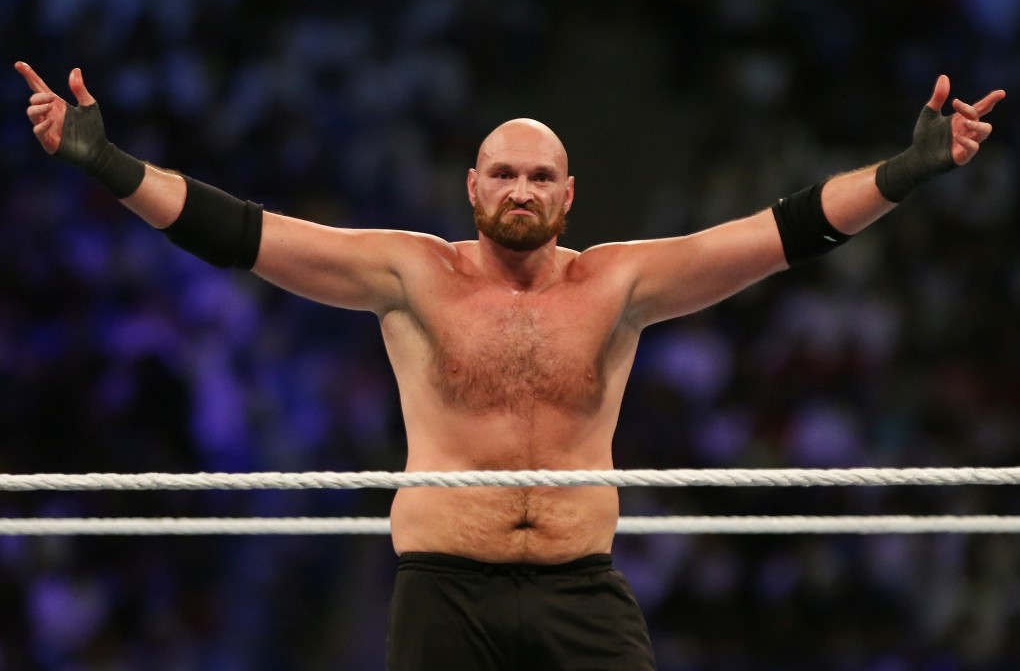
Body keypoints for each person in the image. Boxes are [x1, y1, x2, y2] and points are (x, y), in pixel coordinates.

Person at [15, 60, 1004, 670]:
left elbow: (780, 233)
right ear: (472, 185)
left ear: (570, 193)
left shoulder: (620, 282)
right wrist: (110, 165)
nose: (521, 188)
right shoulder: (410, 272)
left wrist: (906, 172)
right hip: (445, 583)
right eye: (504, 172)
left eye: (540, 176)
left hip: (581, 583)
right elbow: (243, 234)